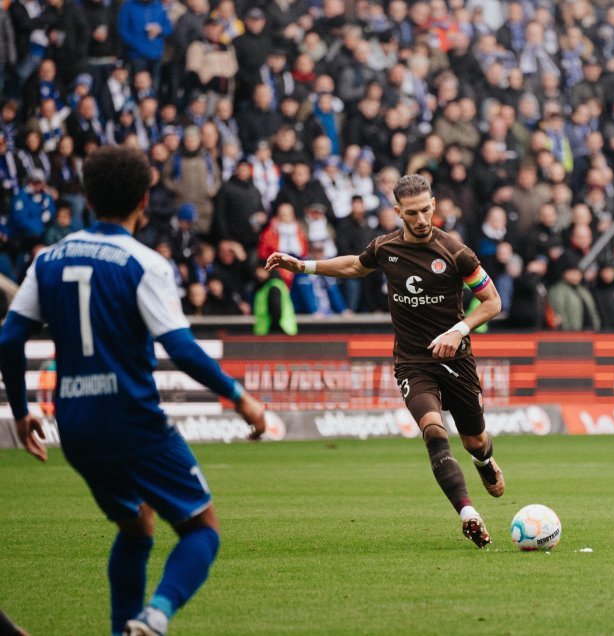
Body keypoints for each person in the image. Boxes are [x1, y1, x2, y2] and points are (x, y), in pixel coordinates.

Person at [0, 146, 267, 636]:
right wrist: (241, 397)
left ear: (86, 196)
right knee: (201, 530)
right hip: (131, 418)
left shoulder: (48, 260)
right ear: (146, 201)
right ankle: (155, 616)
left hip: (74, 424)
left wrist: (20, 413)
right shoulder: (145, 263)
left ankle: (123, 629)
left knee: (137, 526)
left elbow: (10, 339)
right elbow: (181, 350)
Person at [265, 174, 504, 548]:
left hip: (456, 359)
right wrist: (304, 266)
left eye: (426, 209)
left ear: (434, 204)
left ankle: (484, 462)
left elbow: (492, 302)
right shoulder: (385, 248)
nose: (422, 219)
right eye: (412, 212)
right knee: (433, 432)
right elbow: (353, 267)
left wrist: (459, 330)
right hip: (412, 362)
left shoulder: (457, 253)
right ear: (398, 212)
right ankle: (468, 514)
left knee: (474, 438)